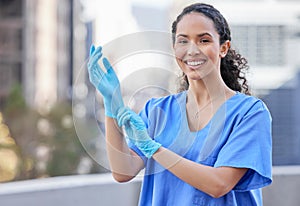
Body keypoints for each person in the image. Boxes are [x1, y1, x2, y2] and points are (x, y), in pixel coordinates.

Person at [87, 3, 272, 206]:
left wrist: (153, 149)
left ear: (223, 48)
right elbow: (123, 171)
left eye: (203, 40)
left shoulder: (250, 113)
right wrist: (112, 105)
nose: (192, 50)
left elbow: (219, 184)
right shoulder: (157, 110)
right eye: (183, 41)